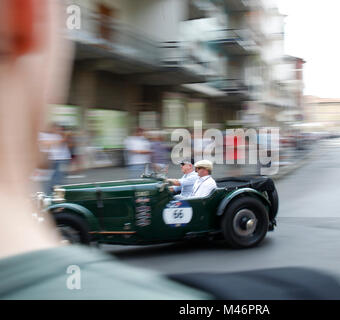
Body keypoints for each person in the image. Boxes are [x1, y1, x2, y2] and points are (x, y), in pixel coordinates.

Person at [0, 0, 210, 299]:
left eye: (194, 168)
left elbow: (186, 185)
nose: (191, 169)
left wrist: (173, 182)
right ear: (25, 12)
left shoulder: (202, 182)